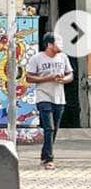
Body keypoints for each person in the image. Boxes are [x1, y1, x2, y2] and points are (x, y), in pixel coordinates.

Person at [26, 32, 73, 169]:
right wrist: (48, 78)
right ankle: (49, 159)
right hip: (43, 96)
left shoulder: (63, 57)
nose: (61, 46)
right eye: (58, 43)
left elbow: (70, 74)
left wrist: (63, 79)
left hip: (59, 97)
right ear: (49, 45)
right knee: (49, 127)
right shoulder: (37, 58)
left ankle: (44, 154)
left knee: (54, 129)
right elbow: (29, 77)